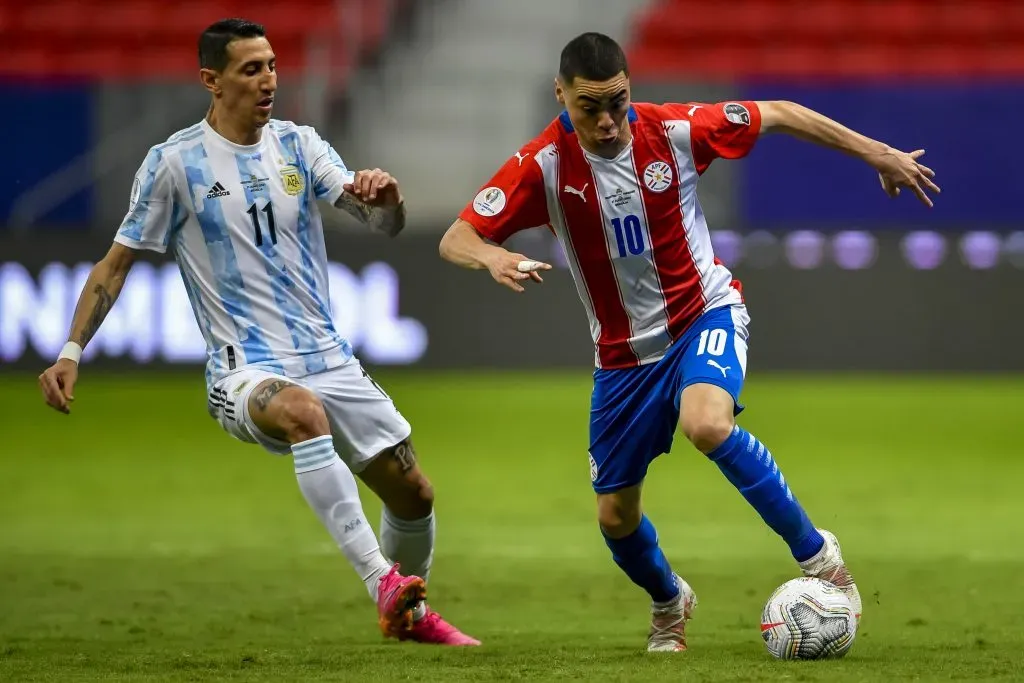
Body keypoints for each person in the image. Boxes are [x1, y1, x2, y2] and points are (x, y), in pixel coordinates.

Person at [439, 32, 940, 652]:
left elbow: (781, 113)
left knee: (706, 423)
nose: (605, 121)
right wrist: (490, 257)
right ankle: (670, 601)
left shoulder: (673, 131)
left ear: (631, 88)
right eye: (588, 107)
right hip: (622, 360)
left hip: (704, 313)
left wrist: (878, 153)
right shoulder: (540, 166)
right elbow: (457, 235)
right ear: (560, 95)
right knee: (614, 517)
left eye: (617, 103)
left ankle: (819, 557)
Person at [37, 18, 478, 647]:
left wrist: (387, 201)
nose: (269, 79)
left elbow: (382, 226)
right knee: (302, 413)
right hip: (242, 369)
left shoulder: (300, 145)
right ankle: (382, 581)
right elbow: (114, 266)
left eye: (271, 64)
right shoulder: (174, 164)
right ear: (211, 82)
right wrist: (71, 351)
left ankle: (406, 619)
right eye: (251, 69)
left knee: (413, 495)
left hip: (327, 356)